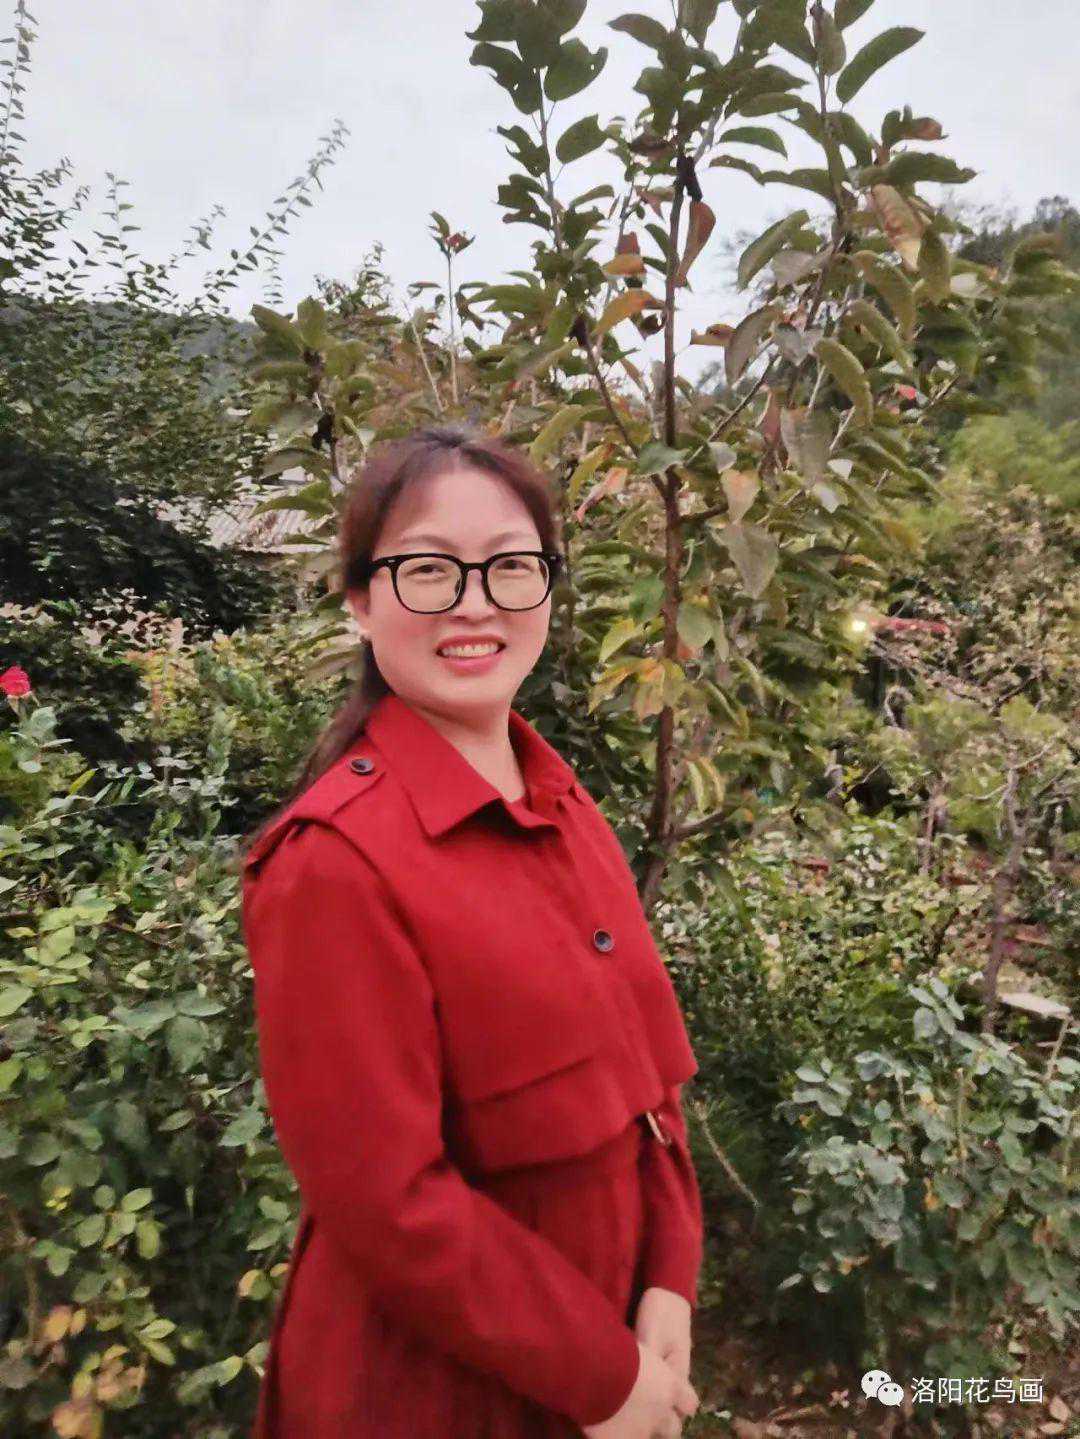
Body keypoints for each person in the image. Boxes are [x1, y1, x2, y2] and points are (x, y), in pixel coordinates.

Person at [239, 425, 705, 1438]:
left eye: (509, 565)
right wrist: (602, 1375)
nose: (475, 602)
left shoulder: (560, 803)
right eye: (428, 569)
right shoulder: (334, 862)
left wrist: (670, 1273)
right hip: (438, 1391)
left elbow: (647, 1084)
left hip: (610, 1348)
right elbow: (387, 1201)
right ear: (360, 599)